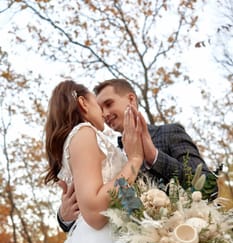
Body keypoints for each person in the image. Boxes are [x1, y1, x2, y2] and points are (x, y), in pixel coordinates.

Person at [19, 80, 164, 243]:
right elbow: (96, 210)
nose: (103, 113)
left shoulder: (86, 138)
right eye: (98, 104)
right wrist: (133, 161)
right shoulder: (83, 133)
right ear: (83, 103)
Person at [57, 78, 212, 232]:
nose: (104, 113)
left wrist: (153, 156)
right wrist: (63, 218)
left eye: (109, 104)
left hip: (182, 235)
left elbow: (208, 187)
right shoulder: (106, 154)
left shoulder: (169, 132)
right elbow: (94, 201)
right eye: (100, 108)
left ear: (131, 99)